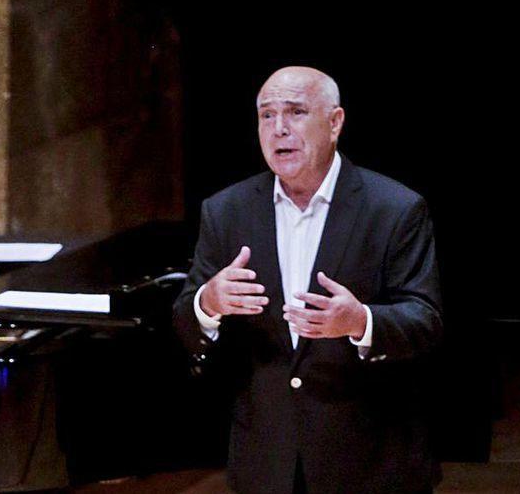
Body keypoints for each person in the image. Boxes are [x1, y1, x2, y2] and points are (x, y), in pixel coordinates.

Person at [172, 67, 442, 494]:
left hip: (369, 463)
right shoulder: (226, 211)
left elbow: (425, 319)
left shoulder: (395, 209)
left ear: (335, 123)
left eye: (296, 112)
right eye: (266, 115)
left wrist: (360, 322)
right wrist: (208, 301)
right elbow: (186, 321)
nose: (279, 129)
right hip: (266, 462)